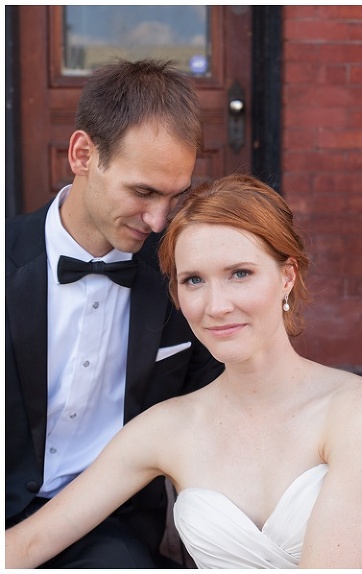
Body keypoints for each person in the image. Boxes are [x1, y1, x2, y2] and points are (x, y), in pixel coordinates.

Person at [6, 173, 362, 569]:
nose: (216, 306)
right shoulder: (164, 428)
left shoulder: (360, 412)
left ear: (286, 276)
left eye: (240, 273)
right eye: (194, 280)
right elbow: (30, 544)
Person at [5, 58, 224, 568]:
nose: (159, 220)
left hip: (111, 527)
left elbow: (219, 413)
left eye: (174, 196)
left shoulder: (183, 275)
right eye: (143, 192)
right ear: (83, 154)